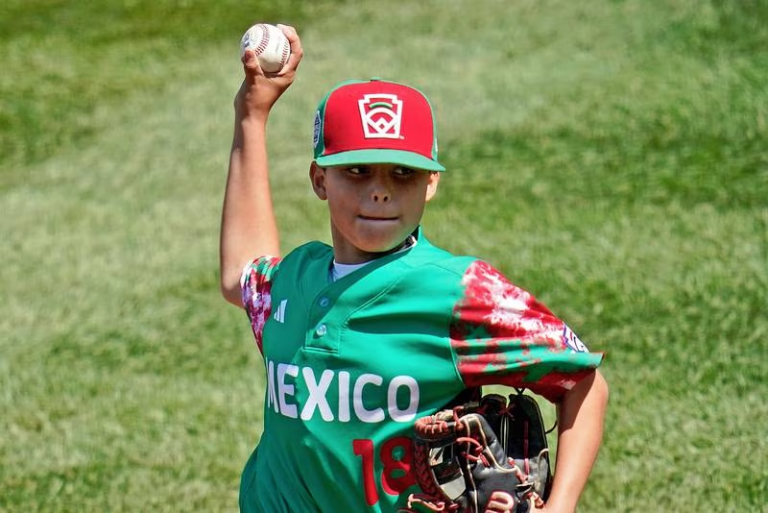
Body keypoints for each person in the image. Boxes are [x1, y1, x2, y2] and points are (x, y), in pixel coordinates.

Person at [220, 24, 609, 513]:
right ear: (320, 179)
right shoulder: (294, 280)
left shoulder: (461, 293)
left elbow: (584, 384)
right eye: (357, 171)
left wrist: (561, 507)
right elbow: (241, 274)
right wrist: (251, 114)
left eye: (402, 173)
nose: (380, 190)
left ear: (430, 184)